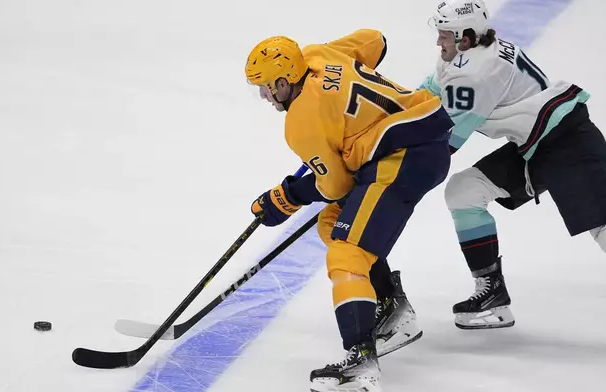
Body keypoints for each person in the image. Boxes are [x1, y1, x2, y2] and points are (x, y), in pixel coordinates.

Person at [245, 29, 454, 392]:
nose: (264, 96)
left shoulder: (301, 123)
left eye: (265, 87)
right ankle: (390, 306)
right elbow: (376, 40)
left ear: (283, 81)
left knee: (346, 252)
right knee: (334, 223)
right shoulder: (316, 54)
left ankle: (361, 362)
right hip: (421, 133)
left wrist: (288, 195)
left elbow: (336, 185)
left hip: (402, 157)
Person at [420, 0, 606, 329]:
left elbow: (443, 142)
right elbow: (428, 93)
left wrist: (382, 159)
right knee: (464, 192)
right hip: (535, 143)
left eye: (444, 35)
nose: (439, 41)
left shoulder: (475, 72)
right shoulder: (470, 51)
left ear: (465, 36)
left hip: (568, 142)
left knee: (602, 227)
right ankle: (492, 295)